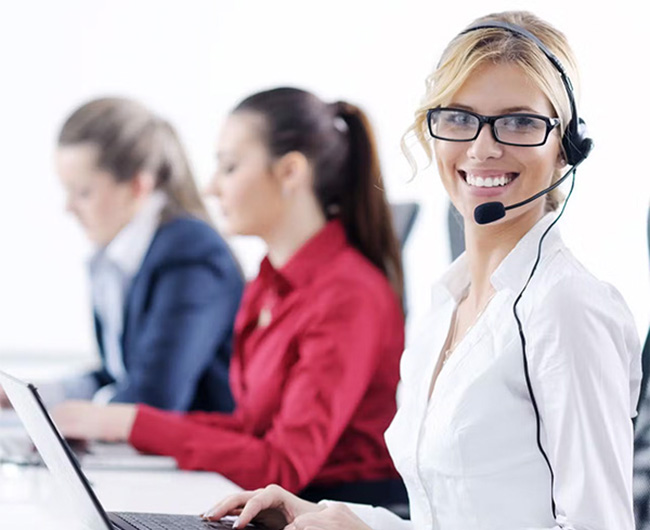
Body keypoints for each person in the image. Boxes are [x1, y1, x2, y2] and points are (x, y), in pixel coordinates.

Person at [200, 11, 642, 530]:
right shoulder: (446, 305)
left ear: (567, 147)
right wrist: (335, 518)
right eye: (458, 118)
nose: (483, 148)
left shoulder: (566, 308)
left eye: (520, 122)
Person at [52, 88, 407, 506]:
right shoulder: (267, 284)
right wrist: (122, 422)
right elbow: (250, 426)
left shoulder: (348, 294)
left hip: (333, 507)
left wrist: (131, 423)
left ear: (290, 171)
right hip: (275, 501)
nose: (211, 187)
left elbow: (282, 466)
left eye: (230, 166)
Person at [0, 97, 244, 412]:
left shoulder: (191, 252)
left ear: (137, 186)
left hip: (196, 457)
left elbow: (155, 397)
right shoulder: (118, 260)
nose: (69, 208)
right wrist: (29, 398)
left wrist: (72, 418)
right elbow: (117, 374)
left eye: (83, 192)